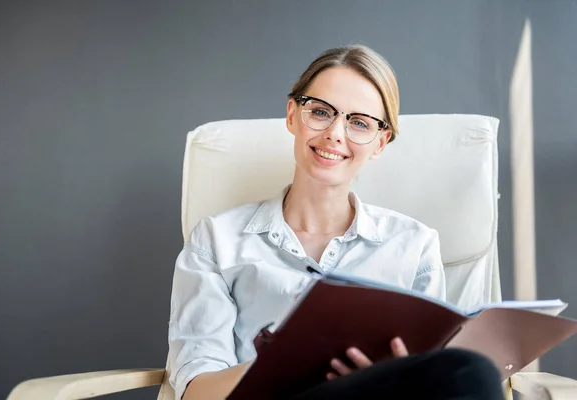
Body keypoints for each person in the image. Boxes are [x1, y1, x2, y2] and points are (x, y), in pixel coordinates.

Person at [168, 44, 505, 400]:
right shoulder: (217, 240)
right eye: (321, 112)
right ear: (292, 115)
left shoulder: (413, 245)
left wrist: (396, 374)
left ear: (380, 142)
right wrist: (288, 360)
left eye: (359, 122)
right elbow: (197, 391)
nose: (335, 133)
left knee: (471, 370)